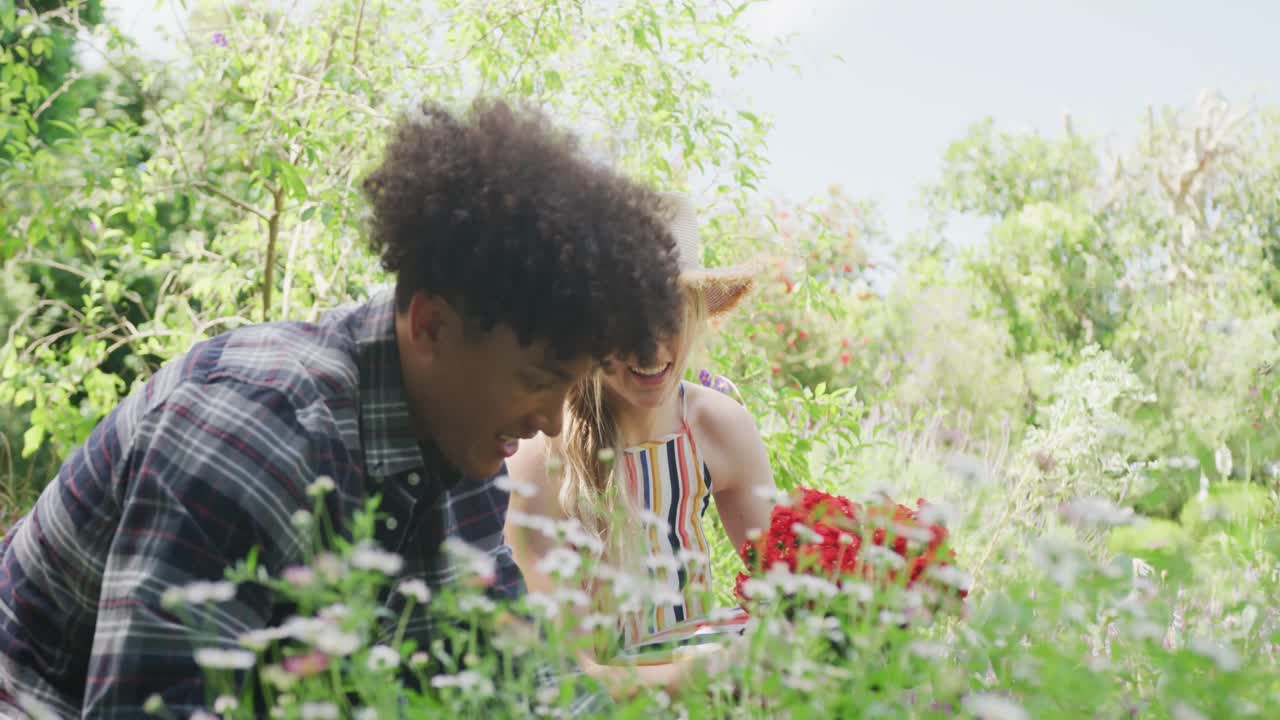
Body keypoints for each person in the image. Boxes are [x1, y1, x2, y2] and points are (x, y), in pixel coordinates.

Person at [0, 98, 689, 717]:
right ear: (432, 326)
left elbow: (524, 687)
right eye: (540, 378)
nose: (551, 420)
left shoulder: (469, 458)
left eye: (571, 389)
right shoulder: (250, 434)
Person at [504, 192, 777, 682]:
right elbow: (563, 678)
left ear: (695, 312)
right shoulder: (541, 448)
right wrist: (700, 678)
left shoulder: (717, 425)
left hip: (699, 678)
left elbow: (789, 584)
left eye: (669, 313)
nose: (649, 345)